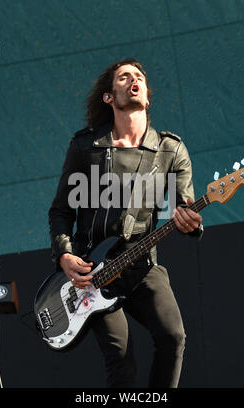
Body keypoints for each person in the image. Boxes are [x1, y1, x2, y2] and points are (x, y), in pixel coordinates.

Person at [48, 58, 203, 388]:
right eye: (123, 77)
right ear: (109, 96)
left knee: (173, 337)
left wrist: (189, 221)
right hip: (93, 271)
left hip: (143, 266)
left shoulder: (170, 150)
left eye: (139, 77)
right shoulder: (85, 147)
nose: (133, 80)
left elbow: (182, 206)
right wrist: (64, 255)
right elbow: (61, 211)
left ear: (146, 96)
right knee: (121, 358)